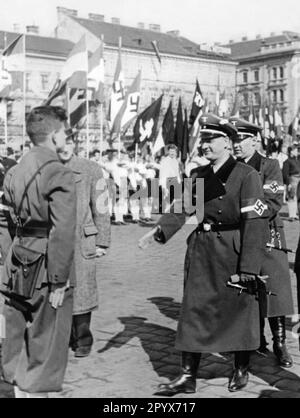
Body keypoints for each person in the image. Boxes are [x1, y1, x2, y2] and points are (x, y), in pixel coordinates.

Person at [139, 114, 269, 395]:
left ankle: (240, 367)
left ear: (225, 141)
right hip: (201, 250)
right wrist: (159, 231)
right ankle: (188, 376)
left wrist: (249, 267)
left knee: (238, 309)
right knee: (193, 309)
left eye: (210, 140)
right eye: (203, 140)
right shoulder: (198, 175)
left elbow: (255, 224)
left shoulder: (247, 176)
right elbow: (181, 206)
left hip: (232, 249)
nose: (204, 145)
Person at [0, 106, 76, 398]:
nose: (65, 139)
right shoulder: (58, 171)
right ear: (55, 135)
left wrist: (11, 257)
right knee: (48, 339)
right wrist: (58, 279)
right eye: (64, 133)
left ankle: (19, 391)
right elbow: (63, 230)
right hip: (47, 266)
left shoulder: (14, 171)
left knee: (18, 335)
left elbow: (4, 220)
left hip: (19, 260)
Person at [231, 117, 294, 368]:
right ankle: (255, 341)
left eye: (241, 139)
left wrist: (244, 212)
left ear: (254, 140)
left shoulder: (269, 166)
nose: (236, 145)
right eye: (233, 140)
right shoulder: (231, 167)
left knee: (275, 287)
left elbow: (273, 200)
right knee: (246, 286)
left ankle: (280, 343)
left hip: (268, 233)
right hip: (240, 234)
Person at [58, 129, 111, 357]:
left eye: (68, 142)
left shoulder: (91, 169)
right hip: (54, 241)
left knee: (82, 291)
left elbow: (101, 207)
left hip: (82, 240)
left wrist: (102, 241)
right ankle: (59, 338)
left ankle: (82, 339)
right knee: (56, 290)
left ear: (74, 143)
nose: (63, 147)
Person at [282, 145, 300, 221]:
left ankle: (295, 214)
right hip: (292, 179)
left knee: (298, 197)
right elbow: (285, 173)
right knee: (292, 197)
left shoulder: (298, 160)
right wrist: (287, 183)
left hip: (299, 179)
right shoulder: (287, 161)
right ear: (291, 151)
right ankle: (292, 215)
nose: (297, 152)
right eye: (295, 150)